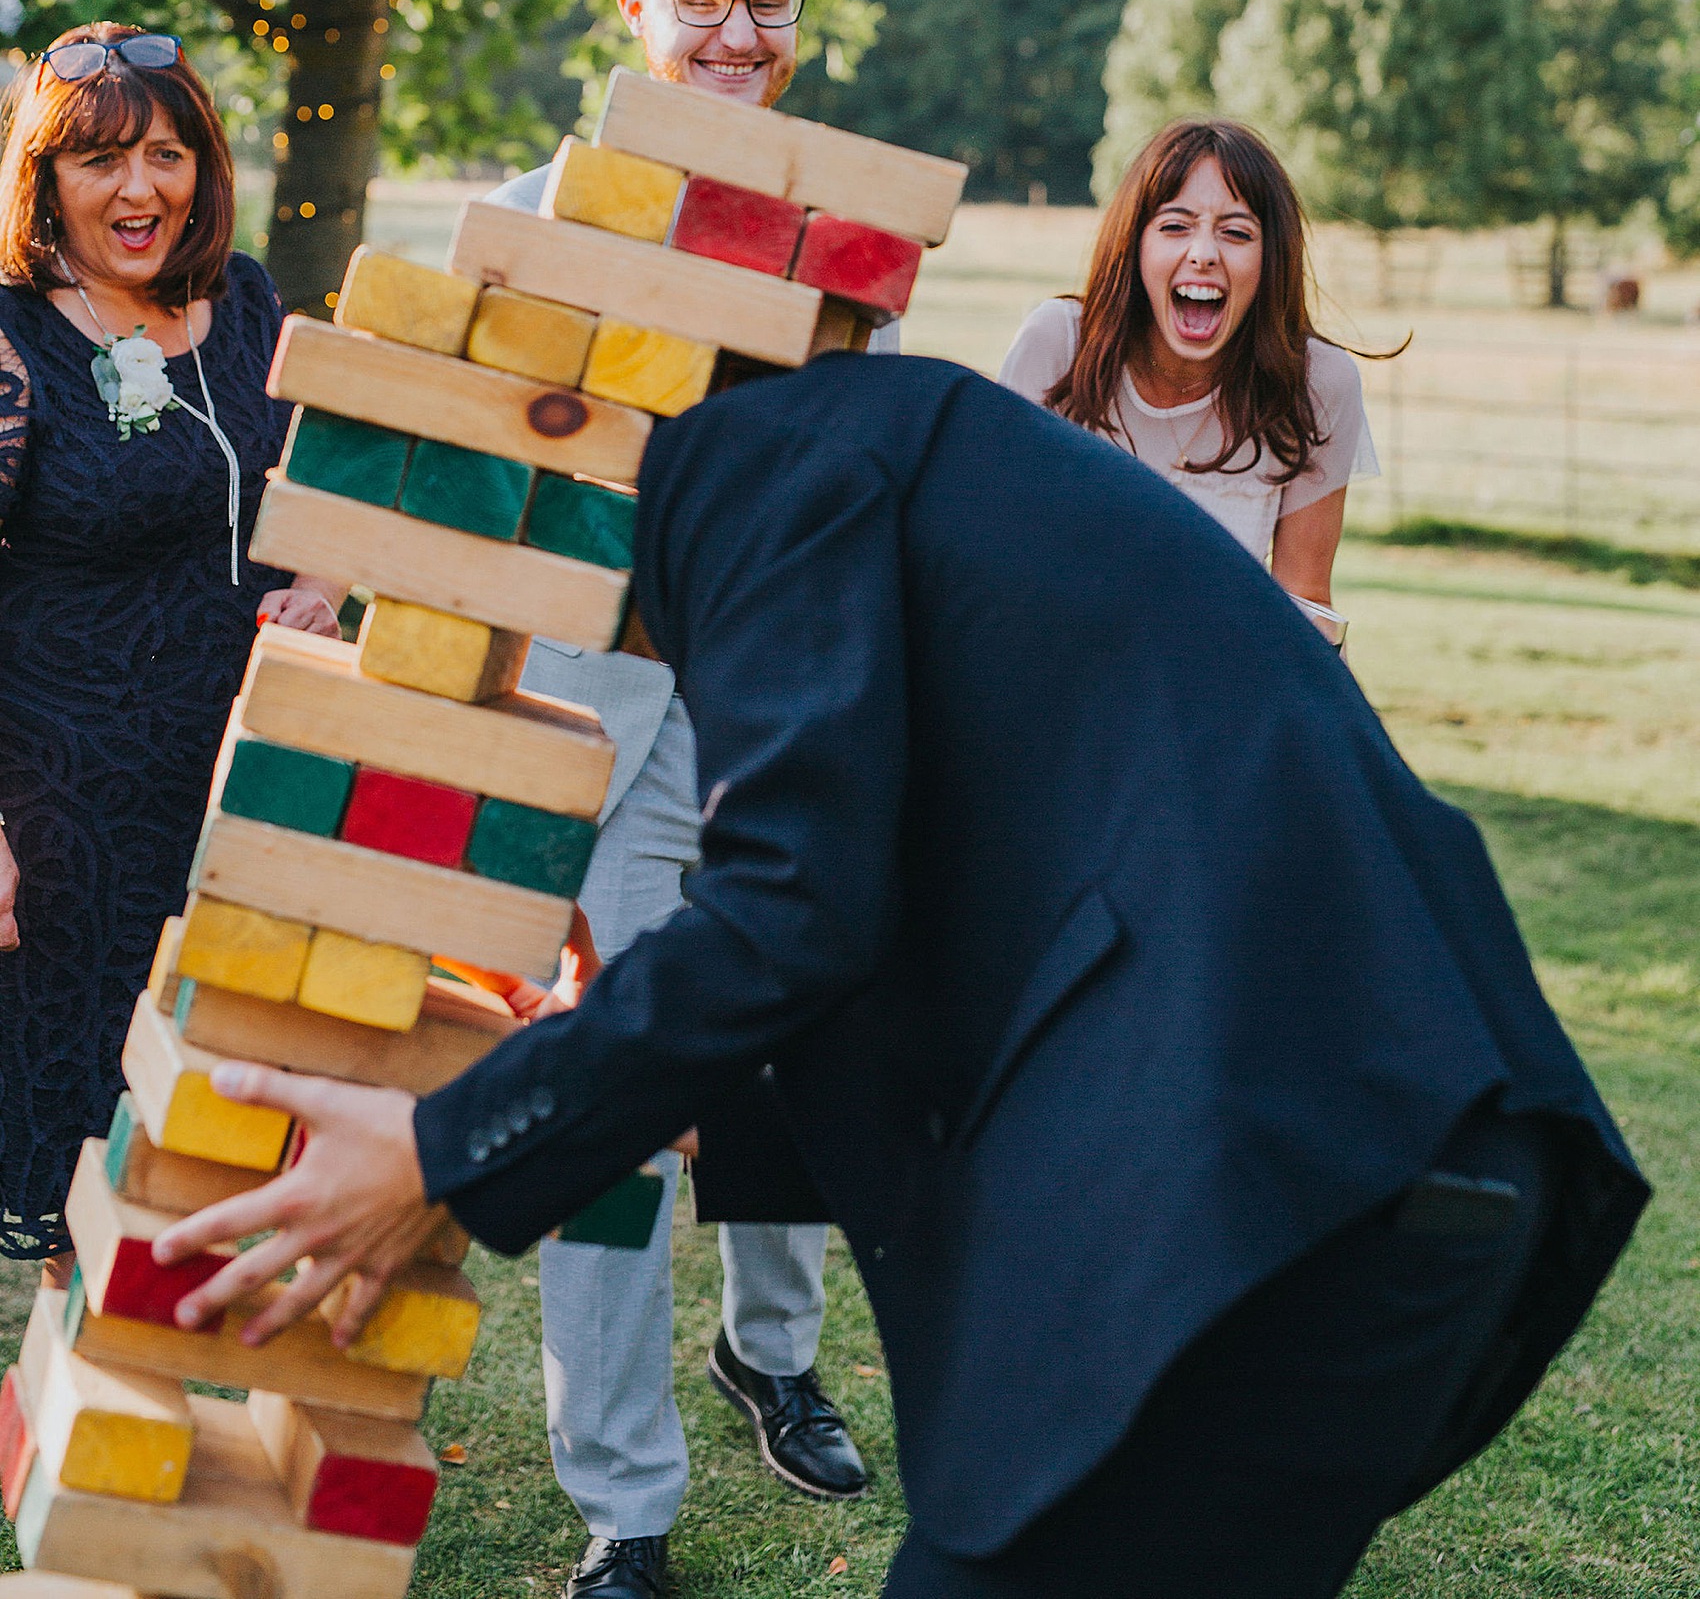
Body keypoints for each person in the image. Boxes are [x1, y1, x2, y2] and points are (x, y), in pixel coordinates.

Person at [155, 353, 1647, 1598]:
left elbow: (795, 904)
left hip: (1300, 1197)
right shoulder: (863, 453)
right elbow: (922, 921)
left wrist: (443, 1150)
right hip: (1367, 1183)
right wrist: (671, 1098)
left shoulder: (754, 461)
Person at [482, 0, 876, 1599]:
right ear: (635, 10)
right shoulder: (535, 216)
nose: (736, 29)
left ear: (796, 25)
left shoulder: (846, 245)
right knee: (627, 1095)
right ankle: (627, 1504)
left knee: (797, 1058)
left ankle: (773, 1354)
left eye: (766, 0)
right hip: (603, 724)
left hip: (788, 719)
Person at [0, 24, 340, 1263]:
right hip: (61, 815)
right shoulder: (13, 341)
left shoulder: (244, 298)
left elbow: (315, 480)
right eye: (97, 161)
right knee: (64, 1168)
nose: (139, 189)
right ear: (43, 177)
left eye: (163, 151)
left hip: (228, 795)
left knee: (189, 1160)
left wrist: (320, 579)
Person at [1000, 117, 1380, 641]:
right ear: (1134, 246)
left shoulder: (1319, 384)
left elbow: (1305, 600)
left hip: (1214, 694)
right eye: (1175, 226)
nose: (1203, 254)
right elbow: (998, 555)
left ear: (1271, 258)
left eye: (1236, 232)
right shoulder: (1058, 345)